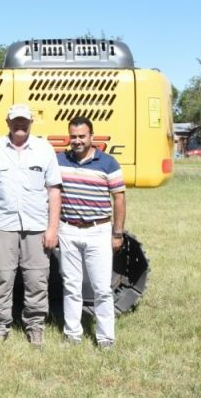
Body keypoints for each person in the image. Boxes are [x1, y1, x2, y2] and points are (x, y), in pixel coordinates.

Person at [0, 103, 62, 346]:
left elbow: (54, 191)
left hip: (36, 226)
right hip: (3, 225)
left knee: (36, 279)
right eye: (15, 121)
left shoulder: (44, 150)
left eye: (24, 121)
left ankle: (35, 326)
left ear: (31, 122)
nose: (20, 125)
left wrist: (52, 228)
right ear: (8, 123)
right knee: (2, 277)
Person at [54, 116, 126, 350]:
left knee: (102, 288)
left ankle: (106, 337)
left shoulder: (108, 163)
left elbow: (119, 199)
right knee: (71, 285)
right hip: (68, 228)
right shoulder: (59, 160)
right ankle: (72, 334)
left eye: (82, 136)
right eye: (73, 136)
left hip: (98, 230)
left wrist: (117, 233)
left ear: (91, 137)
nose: (77, 141)